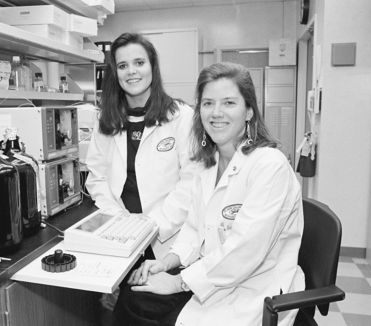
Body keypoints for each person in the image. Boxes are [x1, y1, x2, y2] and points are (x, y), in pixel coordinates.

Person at [113, 62, 305, 326]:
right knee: (132, 297)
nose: (216, 113)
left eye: (228, 103)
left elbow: (245, 252)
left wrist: (178, 282)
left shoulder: (269, 166)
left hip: (253, 290)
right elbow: (194, 228)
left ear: (249, 111)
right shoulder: (209, 163)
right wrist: (167, 263)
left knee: (140, 309)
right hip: (215, 278)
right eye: (207, 103)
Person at [85, 32, 195, 260]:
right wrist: (119, 218)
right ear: (115, 73)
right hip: (118, 233)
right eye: (123, 65)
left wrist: (152, 224)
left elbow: (191, 182)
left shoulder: (180, 117)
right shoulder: (106, 119)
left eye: (139, 62)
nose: (131, 71)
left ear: (152, 67)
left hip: (167, 238)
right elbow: (97, 177)